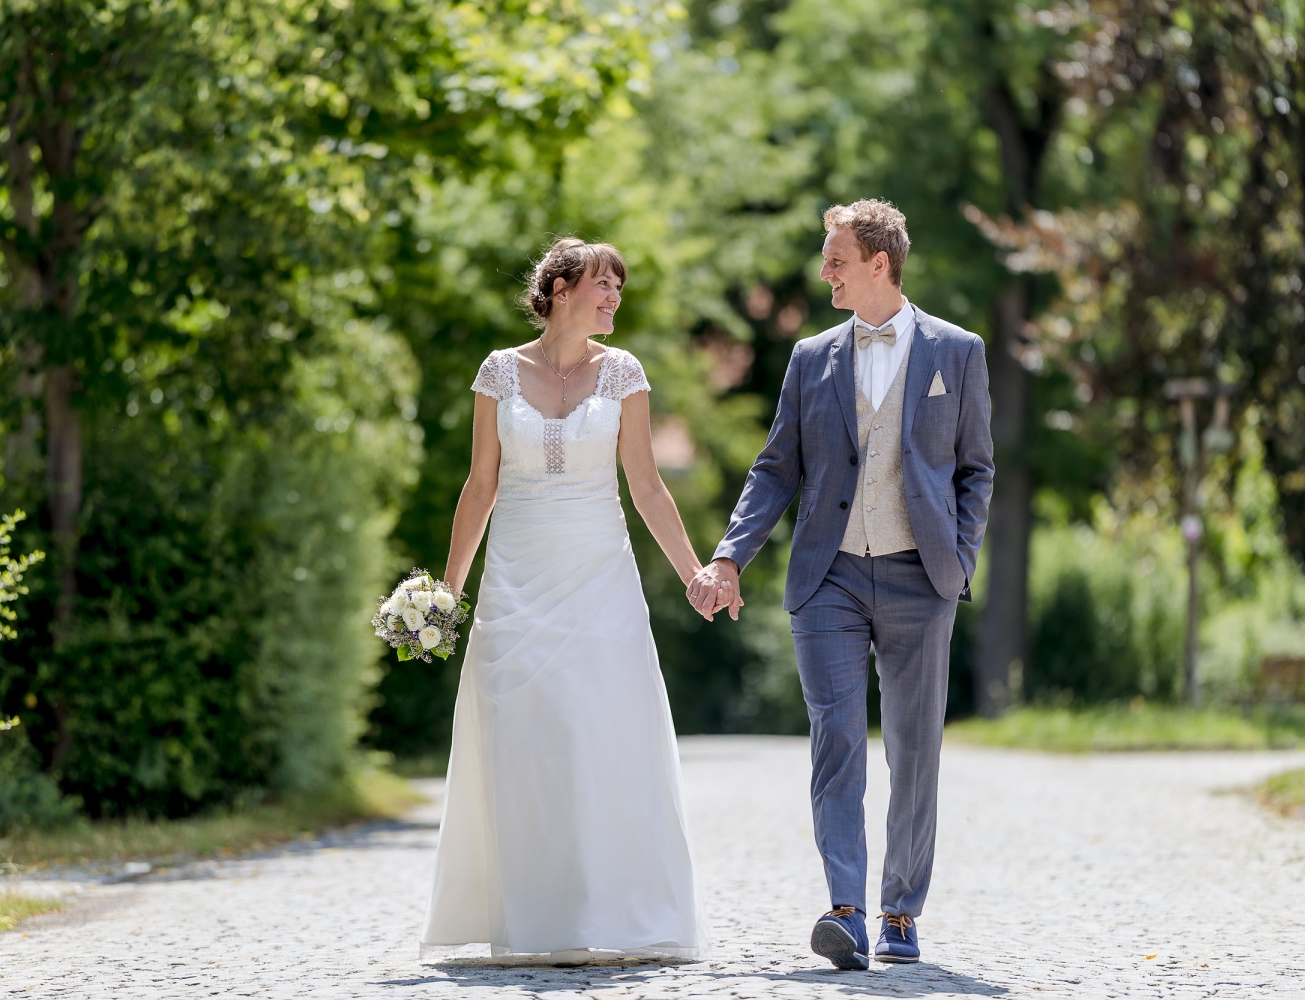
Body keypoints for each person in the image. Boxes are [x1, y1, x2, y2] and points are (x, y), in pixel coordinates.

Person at [688, 199, 994, 969]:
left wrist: (957, 557)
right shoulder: (810, 357)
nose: (824, 273)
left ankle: (900, 911)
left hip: (921, 576)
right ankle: (846, 911)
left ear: (879, 263)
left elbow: (975, 469)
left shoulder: (957, 352)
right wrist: (728, 556)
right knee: (836, 741)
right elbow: (775, 467)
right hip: (827, 575)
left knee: (915, 749)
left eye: (836, 260)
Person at [420, 237, 710, 965]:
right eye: (601, 283)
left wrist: (694, 572)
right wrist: (446, 595)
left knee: (597, 731)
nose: (614, 296)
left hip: (598, 577)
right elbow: (479, 487)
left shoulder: (625, 375)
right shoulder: (497, 373)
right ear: (557, 289)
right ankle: (533, 918)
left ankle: (611, 911)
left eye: (619, 285)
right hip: (515, 579)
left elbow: (646, 485)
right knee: (524, 738)